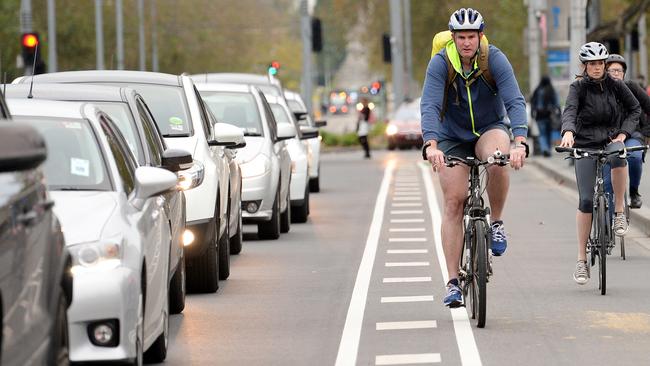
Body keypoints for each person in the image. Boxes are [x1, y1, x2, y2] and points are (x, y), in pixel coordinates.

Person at [421, 7, 528, 307]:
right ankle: (453, 282)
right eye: (461, 37)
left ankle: (496, 222)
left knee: (498, 156)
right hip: (451, 137)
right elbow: (429, 105)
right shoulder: (441, 64)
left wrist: (519, 140)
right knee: (454, 202)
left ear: (480, 36)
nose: (466, 42)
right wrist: (431, 144)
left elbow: (514, 100)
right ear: (452, 38)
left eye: (471, 36)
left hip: (487, 128)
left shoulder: (494, 59)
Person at [559, 43, 640, 285]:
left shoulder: (616, 86)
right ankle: (581, 260)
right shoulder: (578, 88)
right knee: (585, 200)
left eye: (600, 63)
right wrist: (568, 132)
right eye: (592, 64)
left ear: (605, 65)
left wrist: (623, 134)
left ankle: (618, 213)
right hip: (584, 144)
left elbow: (635, 109)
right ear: (584, 66)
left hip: (611, 140)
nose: (597, 68)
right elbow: (570, 111)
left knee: (619, 154)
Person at [604, 54, 650, 209]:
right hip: (607, 137)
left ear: (624, 73)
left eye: (619, 70)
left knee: (635, 157)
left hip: (633, 134)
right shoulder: (600, 90)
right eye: (611, 70)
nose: (615, 73)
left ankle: (634, 192)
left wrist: (646, 132)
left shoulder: (632, 87)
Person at [530, 75, 560, 157]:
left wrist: (532, 113)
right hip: (549, 115)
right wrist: (558, 113)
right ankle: (548, 150)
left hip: (539, 115)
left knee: (542, 134)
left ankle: (544, 149)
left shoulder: (537, 90)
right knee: (549, 134)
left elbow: (533, 103)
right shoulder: (551, 90)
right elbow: (556, 103)